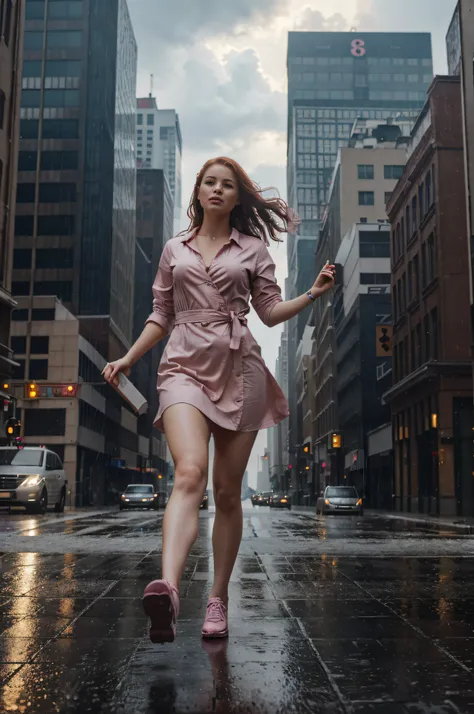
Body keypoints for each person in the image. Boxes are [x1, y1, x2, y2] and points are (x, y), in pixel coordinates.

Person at [102, 157, 335, 645]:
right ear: (199, 191)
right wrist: (127, 358)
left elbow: (270, 314)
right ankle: (167, 587)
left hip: (239, 368)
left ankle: (218, 598)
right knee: (189, 473)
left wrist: (312, 294)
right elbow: (161, 314)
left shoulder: (252, 249)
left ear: (236, 197)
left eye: (227, 185)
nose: (217, 189)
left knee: (228, 493)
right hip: (183, 363)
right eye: (210, 182)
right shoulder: (174, 248)